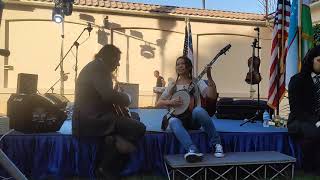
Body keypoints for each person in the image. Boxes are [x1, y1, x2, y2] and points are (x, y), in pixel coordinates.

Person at [72, 44, 146, 179]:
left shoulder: (96, 66)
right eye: (117, 59)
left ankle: (114, 138)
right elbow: (107, 95)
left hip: (94, 116)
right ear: (109, 57)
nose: (118, 64)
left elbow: (101, 95)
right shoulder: (100, 68)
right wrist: (127, 98)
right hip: (93, 119)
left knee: (134, 116)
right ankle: (105, 167)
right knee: (139, 128)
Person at [156, 56, 224, 163]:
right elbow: (159, 103)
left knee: (199, 110)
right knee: (172, 121)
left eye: (182, 63)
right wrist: (171, 102)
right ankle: (192, 150)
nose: (179, 66)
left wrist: (209, 77)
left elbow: (211, 96)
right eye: (177, 64)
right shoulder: (173, 85)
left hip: (193, 120)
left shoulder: (196, 81)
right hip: (178, 119)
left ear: (189, 67)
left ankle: (217, 144)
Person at [288, 45, 320, 175]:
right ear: (311, 60)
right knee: (314, 131)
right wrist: (317, 122)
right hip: (299, 120)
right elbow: (296, 110)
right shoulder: (297, 80)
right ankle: (310, 167)